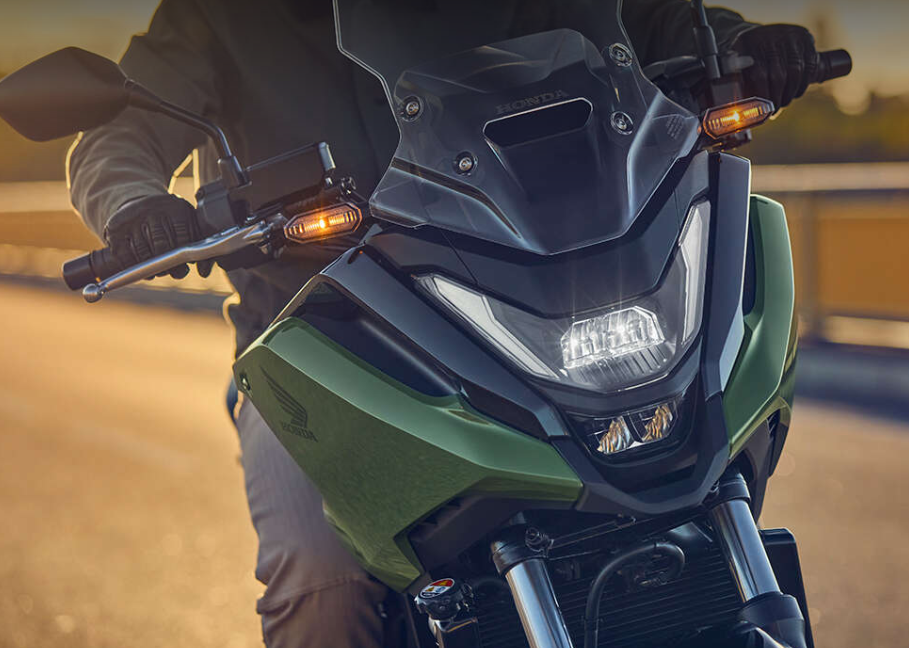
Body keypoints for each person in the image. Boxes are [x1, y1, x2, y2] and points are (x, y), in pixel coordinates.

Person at [66, 1, 820, 645]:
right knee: (321, 577)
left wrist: (743, 44)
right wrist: (134, 205)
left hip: (554, 297)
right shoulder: (224, 14)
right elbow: (120, 131)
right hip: (332, 342)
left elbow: (652, 21)